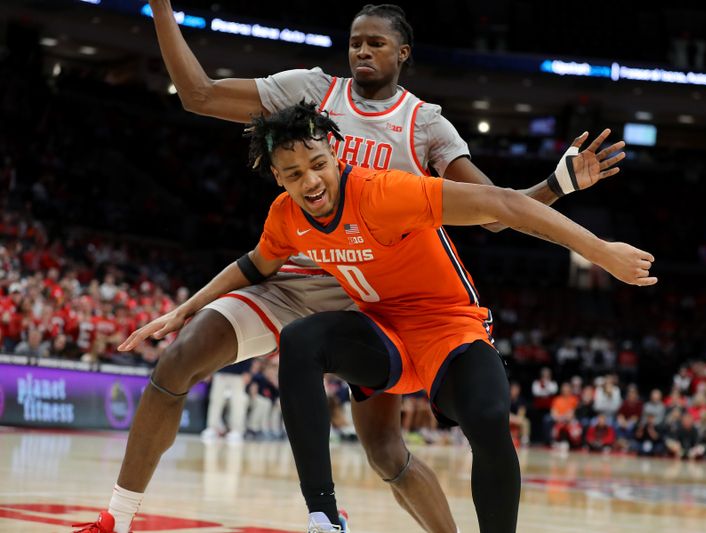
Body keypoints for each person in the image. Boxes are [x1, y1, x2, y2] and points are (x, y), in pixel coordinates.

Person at [72, 3, 629, 533]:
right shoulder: (310, 93)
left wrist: (559, 186)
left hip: (370, 295)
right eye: (355, 41)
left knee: (386, 451)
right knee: (181, 357)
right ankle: (117, 518)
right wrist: (162, 7)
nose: (362, 50)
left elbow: (494, 212)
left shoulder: (425, 126)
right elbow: (197, 94)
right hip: (294, 273)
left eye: (376, 42)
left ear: (403, 52)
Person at [231, 103, 650, 531]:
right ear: (278, 177)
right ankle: (323, 517)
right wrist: (188, 309)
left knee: (488, 420)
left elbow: (501, 205)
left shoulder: (385, 191)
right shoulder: (285, 216)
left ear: (336, 154)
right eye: (294, 173)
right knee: (300, 338)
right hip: (383, 334)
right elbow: (253, 265)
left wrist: (600, 251)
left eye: (318, 164)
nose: (311, 180)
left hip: (448, 327)